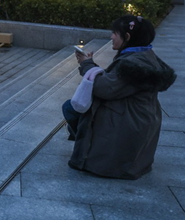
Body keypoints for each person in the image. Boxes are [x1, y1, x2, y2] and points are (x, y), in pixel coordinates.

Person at [64, 15, 176, 180]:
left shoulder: (135, 64)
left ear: (128, 37)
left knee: (71, 108)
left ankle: (90, 152)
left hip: (127, 121)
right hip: (137, 116)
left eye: (114, 33)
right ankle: (88, 145)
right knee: (74, 107)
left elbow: (105, 89)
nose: (111, 37)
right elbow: (115, 84)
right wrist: (91, 65)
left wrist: (86, 65)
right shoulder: (143, 55)